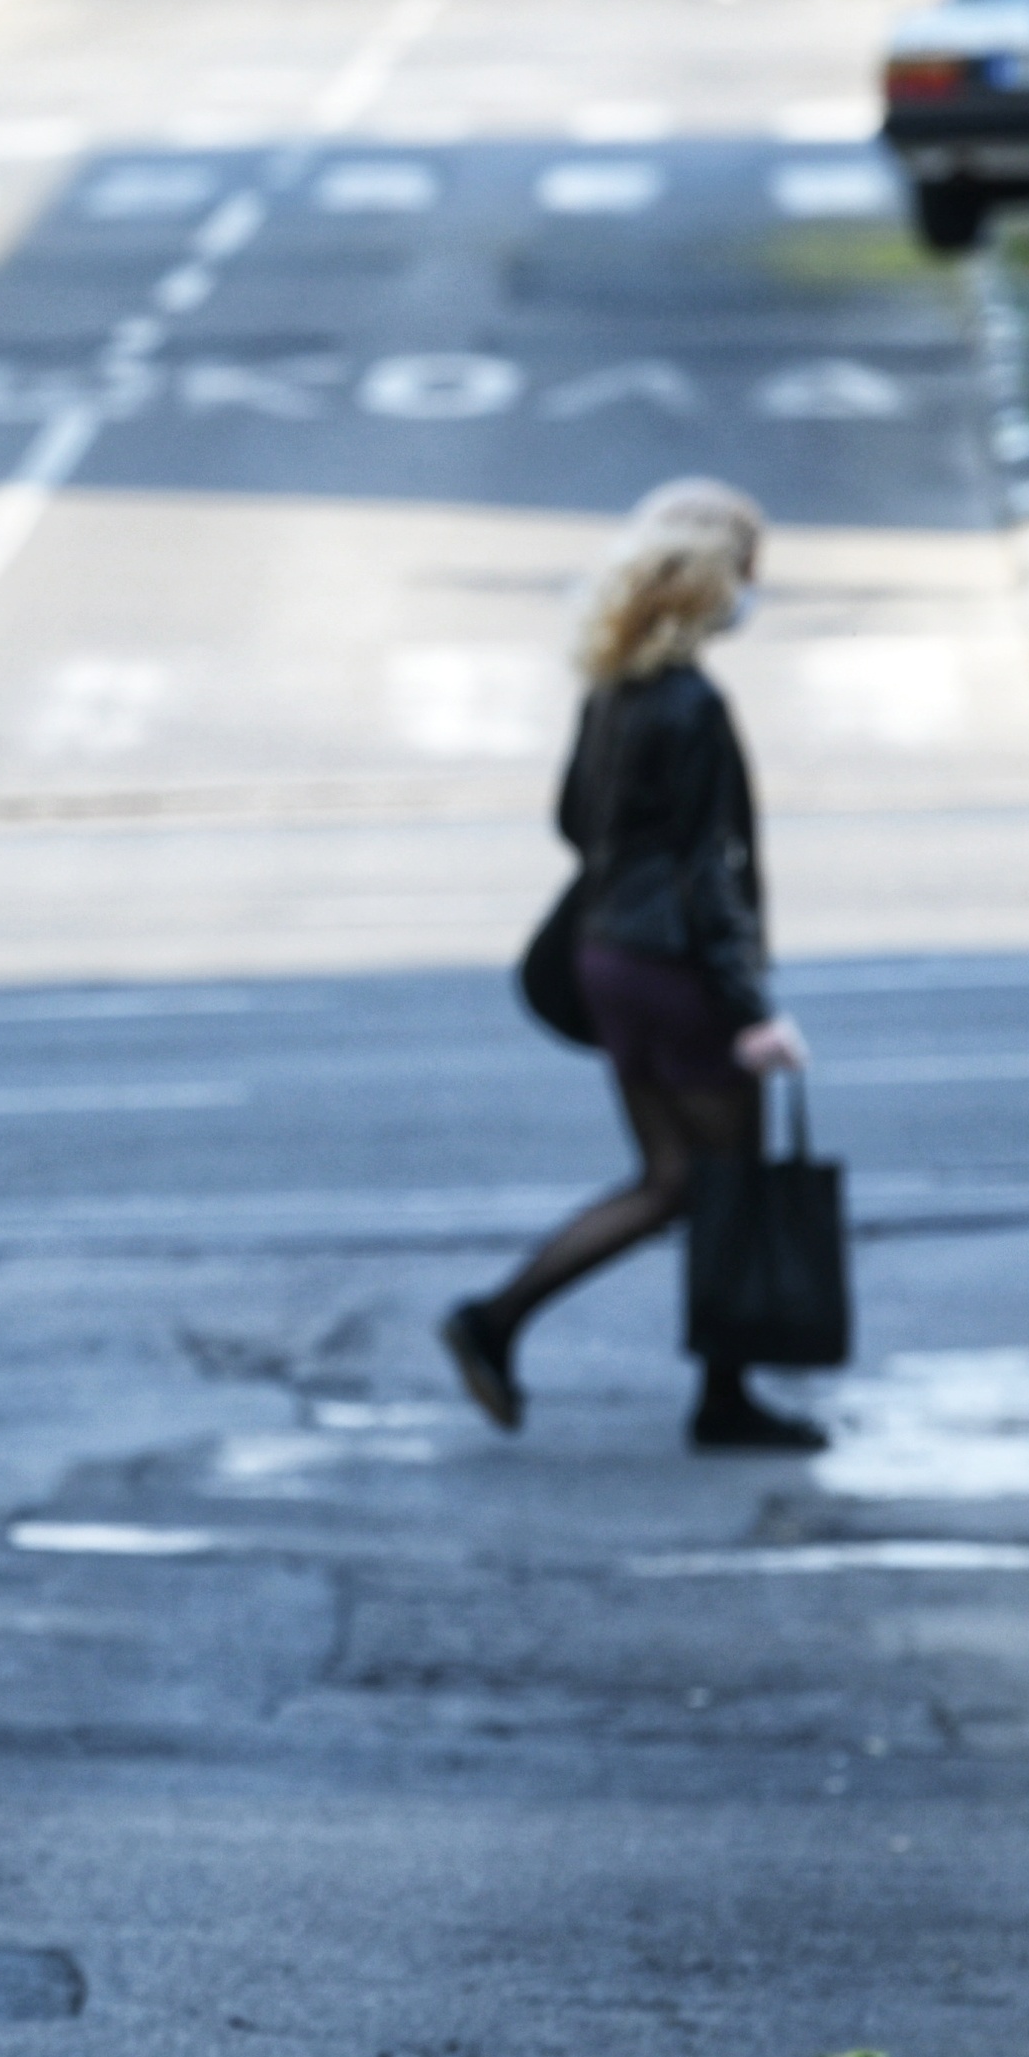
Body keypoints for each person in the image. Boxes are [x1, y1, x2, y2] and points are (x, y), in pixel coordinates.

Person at [440, 482, 825, 1454]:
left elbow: (572, 821)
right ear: (706, 585)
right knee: (721, 1181)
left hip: (606, 952)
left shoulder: (609, 689)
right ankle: (721, 1399)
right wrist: (752, 1010)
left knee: (669, 1179)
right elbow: (710, 871)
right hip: (675, 968)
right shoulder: (694, 703)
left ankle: (498, 1322)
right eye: (746, 572)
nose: (751, 591)